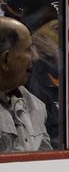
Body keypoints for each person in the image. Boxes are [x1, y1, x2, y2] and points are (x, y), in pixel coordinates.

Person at [0, 16, 49, 152]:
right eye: (28, 50)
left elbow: (49, 164)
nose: (35, 57)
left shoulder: (36, 106)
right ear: (5, 60)